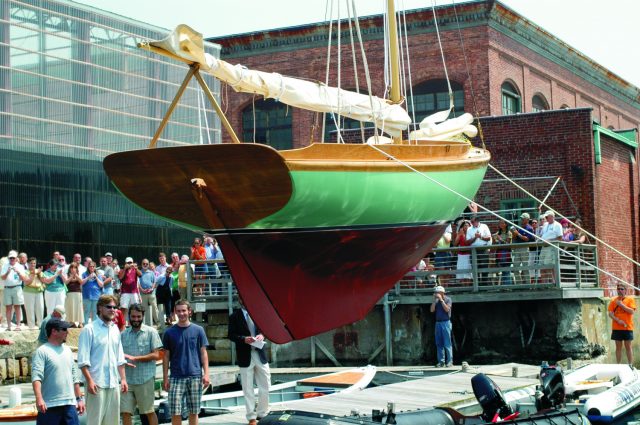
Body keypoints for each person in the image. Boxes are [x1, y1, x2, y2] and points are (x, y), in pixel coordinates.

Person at [77, 294, 128, 425]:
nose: (113, 310)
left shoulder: (115, 329)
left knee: (113, 423)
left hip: (113, 384)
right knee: (95, 422)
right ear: (100, 308)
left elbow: (120, 357)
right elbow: (82, 360)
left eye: (115, 307)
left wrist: (123, 379)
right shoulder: (89, 329)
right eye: (109, 307)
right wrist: (89, 381)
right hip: (96, 384)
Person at [162, 300, 210, 425]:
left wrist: (206, 374)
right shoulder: (168, 332)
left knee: (194, 411)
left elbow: (203, 353)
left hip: (195, 376)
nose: (181, 313)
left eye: (184, 310)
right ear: (175, 312)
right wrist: (165, 378)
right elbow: (166, 356)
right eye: (178, 311)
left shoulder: (199, 330)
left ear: (189, 311)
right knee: (175, 411)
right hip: (176, 377)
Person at [32, 318, 85, 425]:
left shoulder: (67, 350)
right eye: (64, 329)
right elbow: (36, 377)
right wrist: (39, 399)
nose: (67, 332)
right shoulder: (41, 351)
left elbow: (74, 377)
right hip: (48, 406)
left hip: (70, 405)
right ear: (54, 331)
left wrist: (79, 399)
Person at [228, 299, 271, 425]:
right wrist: (243, 339)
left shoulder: (259, 313)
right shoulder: (234, 316)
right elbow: (231, 335)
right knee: (247, 388)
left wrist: (262, 335)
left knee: (266, 385)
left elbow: (267, 330)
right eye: (242, 298)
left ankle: (262, 413)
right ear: (239, 300)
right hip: (244, 355)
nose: (244, 300)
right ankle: (251, 417)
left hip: (260, 354)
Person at [120, 304, 163, 425]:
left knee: (148, 411)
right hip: (127, 381)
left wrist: (135, 358)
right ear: (129, 316)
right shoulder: (123, 335)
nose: (136, 319)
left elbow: (158, 355)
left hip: (145, 379)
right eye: (133, 316)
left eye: (138, 316)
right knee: (125, 412)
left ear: (143, 316)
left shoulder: (151, 332)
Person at [608, 285, 636, 365]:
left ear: (625, 290)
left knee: (628, 347)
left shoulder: (630, 299)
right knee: (618, 347)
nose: (620, 290)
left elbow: (632, 311)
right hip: (616, 328)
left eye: (622, 289)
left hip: (627, 327)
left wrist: (621, 305)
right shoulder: (613, 300)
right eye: (618, 289)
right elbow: (610, 314)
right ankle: (618, 365)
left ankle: (630, 365)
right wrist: (618, 320)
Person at [1, 250, 28, 331]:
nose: (12, 259)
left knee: (17, 307)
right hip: (7, 288)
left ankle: (18, 325)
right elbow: (2, 278)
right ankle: (9, 326)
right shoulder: (5, 266)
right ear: (9, 258)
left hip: (17, 287)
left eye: (13, 258)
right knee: (8, 307)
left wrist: (18, 272)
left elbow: (24, 279)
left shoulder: (20, 266)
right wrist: (7, 272)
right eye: (10, 258)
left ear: (16, 258)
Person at [465, 216, 492, 286]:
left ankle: (484, 286)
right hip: (473, 250)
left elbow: (489, 238)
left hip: (483, 249)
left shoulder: (484, 226)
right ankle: (477, 286)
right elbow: (467, 242)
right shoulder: (469, 229)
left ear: (477, 221)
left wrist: (481, 237)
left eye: (473, 222)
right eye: (471, 221)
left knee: (484, 268)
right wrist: (475, 237)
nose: (471, 223)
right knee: (475, 268)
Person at [430, 285, 453, 367]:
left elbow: (447, 309)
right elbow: (432, 310)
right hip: (438, 323)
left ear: (442, 293)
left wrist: (441, 300)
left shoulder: (448, 299)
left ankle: (449, 361)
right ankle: (441, 361)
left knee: (447, 343)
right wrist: (434, 300)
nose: (436, 294)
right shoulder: (435, 301)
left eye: (437, 292)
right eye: (435, 293)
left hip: (446, 323)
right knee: (439, 343)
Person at [539, 210, 563, 284]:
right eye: (545, 216)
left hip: (551, 247)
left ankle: (553, 282)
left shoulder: (557, 225)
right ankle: (545, 284)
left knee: (549, 266)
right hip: (543, 247)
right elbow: (541, 235)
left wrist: (550, 241)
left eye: (547, 216)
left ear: (552, 216)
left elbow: (560, 238)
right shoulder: (545, 225)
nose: (546, 218)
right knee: (541, 265)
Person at [511, 213, 535, 285]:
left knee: (525, 267)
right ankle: (519, 284)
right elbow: (515, 238)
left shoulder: (530, 228)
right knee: (515, 267)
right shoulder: (519, 227)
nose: (521, 220)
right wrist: (514, 233)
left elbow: (526, 239)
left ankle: (528, 284)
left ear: (527, 220)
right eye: (521, 218)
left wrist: (517, 233)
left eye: (523, 218)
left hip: (524, 248)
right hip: (517, 248)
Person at [24, 257, 46, 329]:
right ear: (28, 264)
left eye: (34, 263)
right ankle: (31, 326)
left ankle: (40, 325)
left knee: (40, 308)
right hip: (28, 292)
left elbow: (44, 281)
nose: (33, 265)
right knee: (30, 309)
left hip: (39, 291)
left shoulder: (39, 271)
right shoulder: (25, 272)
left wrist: (39, 274)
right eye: (31, 263)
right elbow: (27, 282)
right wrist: (34, 273)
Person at [118, 257, 142, 324]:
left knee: (134, 308)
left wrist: (136, 268)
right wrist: (125, 269)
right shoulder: (122, 270)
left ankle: (131, 323)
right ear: (125, 263)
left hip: (134, 292)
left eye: (131, 262)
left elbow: (140, 275)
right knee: (123, 308)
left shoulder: (135, 270)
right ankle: (122, 324)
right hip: (125, 292)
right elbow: (120, 278)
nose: (130, 264)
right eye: (128, 263)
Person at [62, 262, 84, 327]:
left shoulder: (79, 274)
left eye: (75, 267)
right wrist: (71, 276)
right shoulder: (67, 274)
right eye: (72, 267)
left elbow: (81, 282)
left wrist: (76, 275)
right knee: (71, 307)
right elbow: (66, 282)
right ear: (70, 268)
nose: (73, 269)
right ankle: (72, 322)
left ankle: (80, 322)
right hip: (69, 293)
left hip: (78, 293)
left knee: (79, 308)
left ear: (77, 268)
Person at [493, 219, 513, 285]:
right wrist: (494, 240)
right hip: (499, 254)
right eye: (500, 223)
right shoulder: (498, 233)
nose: (500, 224)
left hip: (506, 253)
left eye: (502, 223)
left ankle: (507, 287)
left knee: (506, 271)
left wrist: (500, 240)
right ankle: (504, 287)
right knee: (502, 271)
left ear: (506, 224)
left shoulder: (509, 233)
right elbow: (494, 242)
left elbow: (508, 243)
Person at [138, 260, 158, 326]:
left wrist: (152, 288)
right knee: (144, 308)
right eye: (144, 263)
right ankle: (145, 324)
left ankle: (157, 322)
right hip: (143, 293)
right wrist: (142, 290)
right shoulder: (139, 273)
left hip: (151, 293)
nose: (145, 265)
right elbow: (137, 283)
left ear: (148, 264)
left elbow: (154, 282)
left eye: (147, 264)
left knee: (154, 307)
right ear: (141, 264)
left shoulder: (152, 273)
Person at [454, 220, 472, 285]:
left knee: (468, 270)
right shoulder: (460, 233)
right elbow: (455, 244)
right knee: (461, 270)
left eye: (468, 225)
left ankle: (468, 286)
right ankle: (463, 286)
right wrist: (459, 235)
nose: (466, 226)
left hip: (469, 254)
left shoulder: (472, 233)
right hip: (461, 255)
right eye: (465, 225)